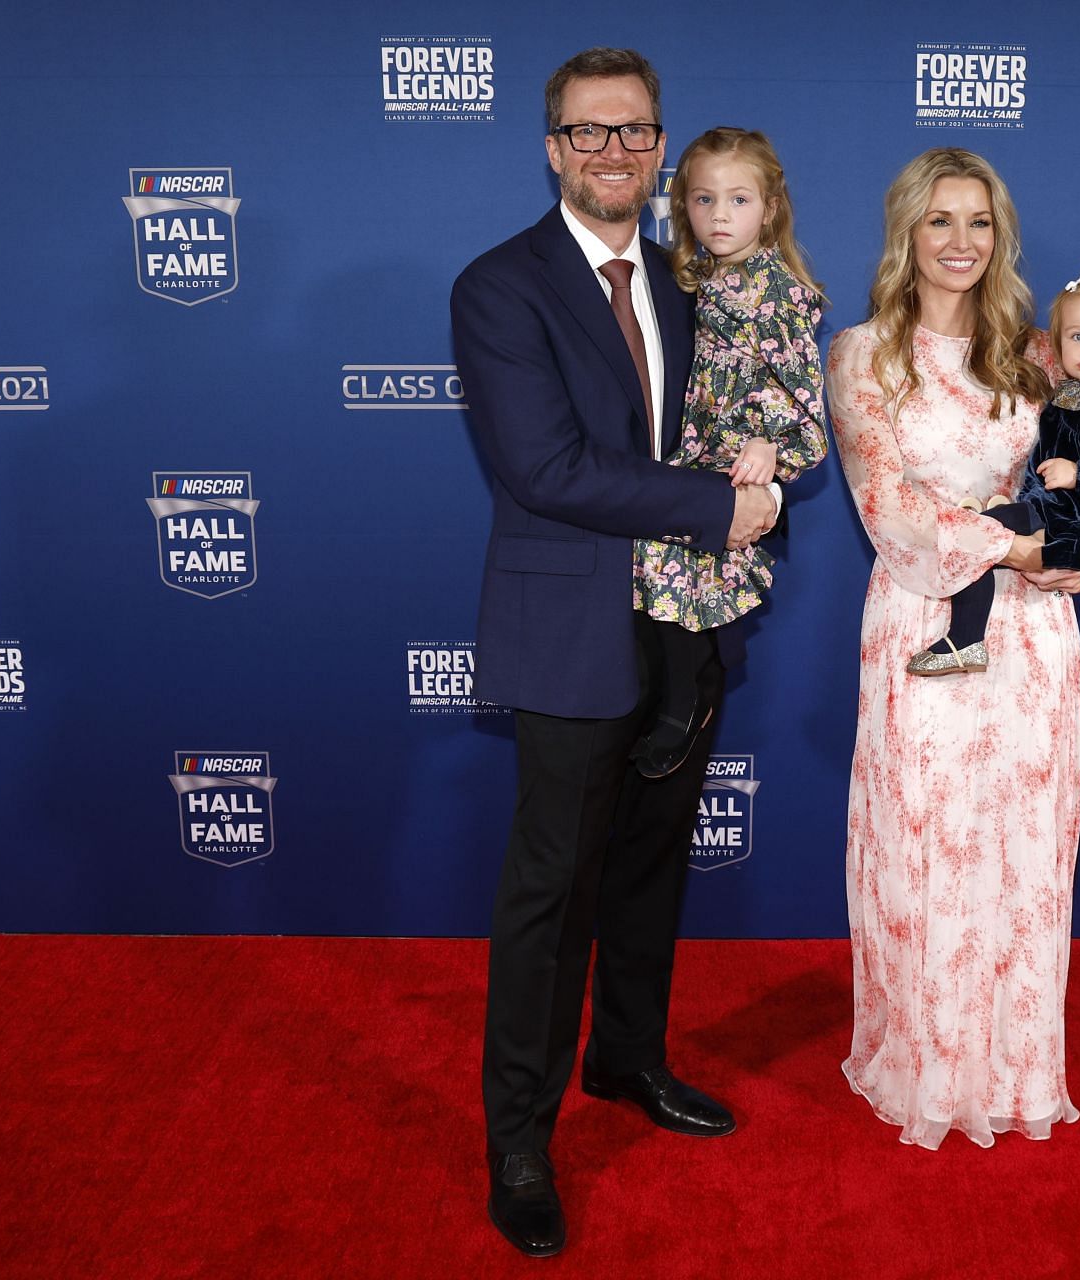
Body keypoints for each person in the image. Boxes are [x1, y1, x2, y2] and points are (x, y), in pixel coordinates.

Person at [449, 47, 778, 1258]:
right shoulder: (500, 286)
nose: (613, 154)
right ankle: (519, 1139)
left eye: (635, 133)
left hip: (685, 627)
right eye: (588, 134)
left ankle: (628, 1059)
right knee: (550, 891)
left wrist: (763, 475)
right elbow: (543, 468)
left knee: (649, 866)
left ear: (662, 148)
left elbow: (750, 415)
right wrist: (717, 505)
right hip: (570, 629)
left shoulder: (698, 285)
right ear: (551, 147)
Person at [826, 148, 1080, 1150]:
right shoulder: (863, 355)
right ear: (907, 233)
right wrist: (1024, 545)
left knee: (1022, 855)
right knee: (925, 850)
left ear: (1000, 236)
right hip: (924, 620)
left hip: (1033, 636)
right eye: (939, 221)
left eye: (979, 222)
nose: (960, 242)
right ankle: (922, 1064)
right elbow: (889, 507)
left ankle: (1011, 1069)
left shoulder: (1040, 357)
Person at [632, 127, 828, 775]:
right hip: (687, 456)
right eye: (703, 199)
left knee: (678, 574)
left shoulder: (778, 294)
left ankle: (685, 704)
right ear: (681, 204)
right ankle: (696, 677)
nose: (720, 216)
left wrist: (770, 446)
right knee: (664, 583)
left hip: (731, 468)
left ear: (770, 207)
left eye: (739, 200)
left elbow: (803, 399)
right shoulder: (697, 276)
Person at [908, 268, 1080, 675]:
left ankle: (964, 640)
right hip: (1052, 510)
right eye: (1077, 336)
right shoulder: (1072, 393)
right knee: (979, 530)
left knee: (980, 535)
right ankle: (968, 640)